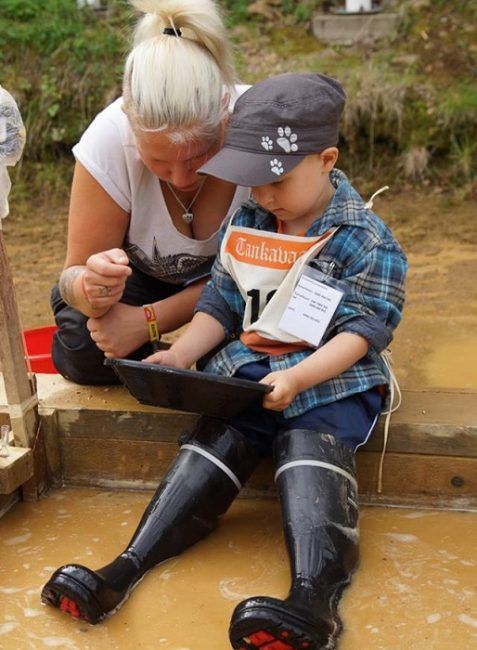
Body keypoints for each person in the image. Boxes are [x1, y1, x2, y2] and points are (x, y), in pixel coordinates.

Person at [42, 73, 407, 649]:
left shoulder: (365, 240)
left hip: (332, 381)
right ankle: (124, 568)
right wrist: (182, 355)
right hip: (252, 372)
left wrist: (301, 376)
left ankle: (314, 601)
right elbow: (222, 299)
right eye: (252, 184)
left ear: (327, 159)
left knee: (309, 445)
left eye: (276, 183)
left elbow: (365, 332)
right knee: (215, 439)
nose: (262, 196)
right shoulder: (255, 220)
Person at [51, 0, 250, 384]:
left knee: (242, 364)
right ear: (129, 118)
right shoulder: (108, 137)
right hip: (144, 278)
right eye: (158, 160)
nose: (180, 178)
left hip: (247, 282)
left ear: (225, 111)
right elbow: (71, 277)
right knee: (87, 346)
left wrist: (148, 323)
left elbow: (276, 271)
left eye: (199, 156)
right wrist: (88, 286)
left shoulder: (259, 126)